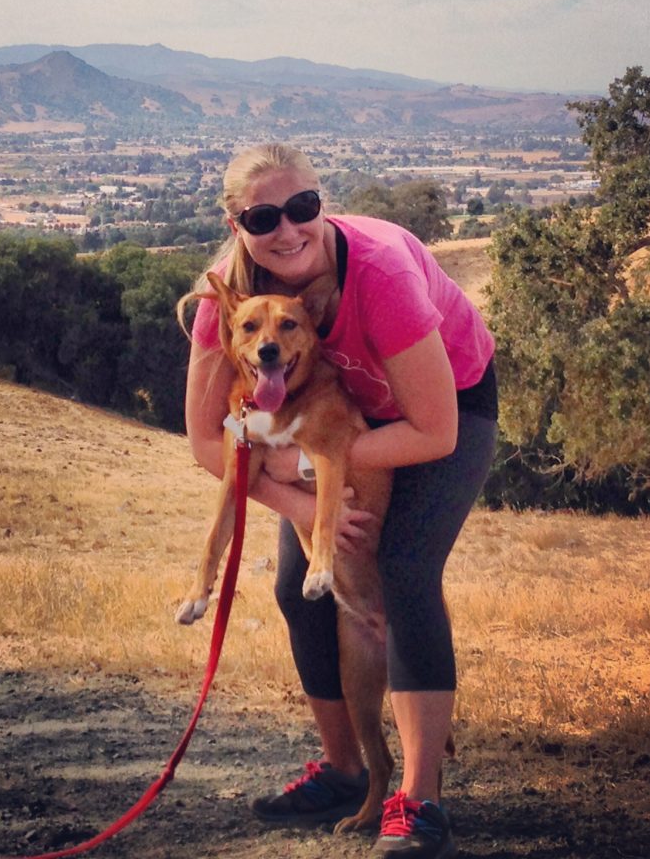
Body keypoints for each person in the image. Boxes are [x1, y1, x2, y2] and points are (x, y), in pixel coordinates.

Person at [178, 144, 497, 859]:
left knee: (405, 572)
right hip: (339, 421)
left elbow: (435, 430)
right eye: (265, 217)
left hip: (445, 411)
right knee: (299, 588)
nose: (288, 229)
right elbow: (208, 444)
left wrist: (311, 467)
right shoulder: (226, 306)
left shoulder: (377, 271)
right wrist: (295, 501)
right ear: (236, 225)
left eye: (303, 207)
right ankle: (346, 767)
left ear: (322, 202)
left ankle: (418, 803)